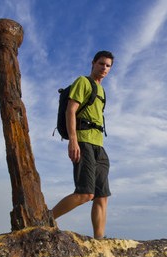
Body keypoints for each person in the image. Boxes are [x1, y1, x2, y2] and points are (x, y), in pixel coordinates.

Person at [51, 50, 114, 239]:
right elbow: (71, 110)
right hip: (83, 141)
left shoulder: (102, 91)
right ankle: (45, 219)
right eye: (101, 63)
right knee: (85, 193)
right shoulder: (83, 82)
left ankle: (99, 241)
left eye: (108, 65)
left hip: (99, 146)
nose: (104, 68)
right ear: (93, 63)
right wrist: (73, 140)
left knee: (102, 197)